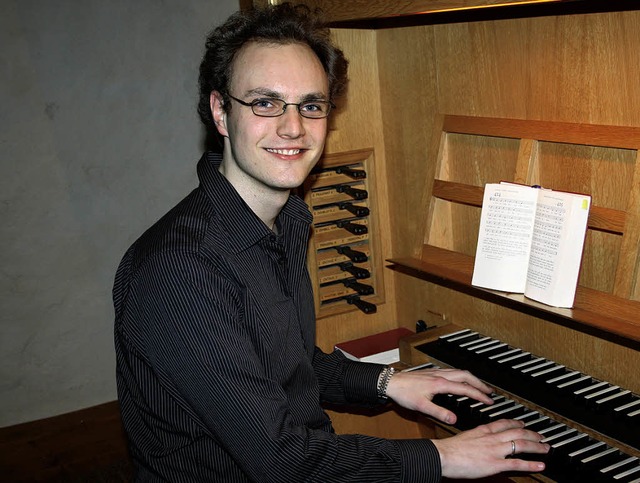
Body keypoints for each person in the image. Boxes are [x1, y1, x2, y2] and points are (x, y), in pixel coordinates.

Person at [113, 3, 549, 482]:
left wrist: (387, 382)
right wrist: (441, 457)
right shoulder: (178, 272)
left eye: (311, 105)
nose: (293, 127)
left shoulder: (286, 221)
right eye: (265, 102)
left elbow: (289, 368)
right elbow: (285, 463)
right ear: (220, 111)